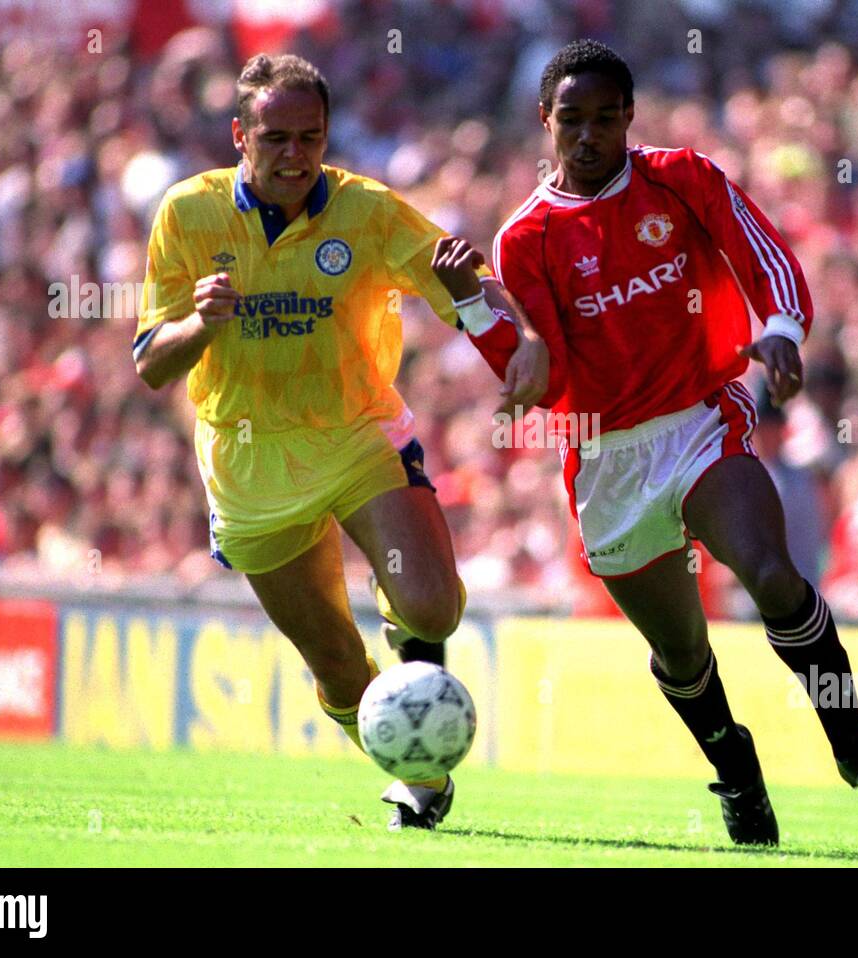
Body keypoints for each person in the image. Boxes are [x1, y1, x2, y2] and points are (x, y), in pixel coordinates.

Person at [468, 39, 858, 845]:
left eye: (605, 119)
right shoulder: (525, 239)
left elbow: (765, 256)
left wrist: (781, 330)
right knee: (682, 654)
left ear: (629, 118)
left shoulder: (682, 177)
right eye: (571, 120)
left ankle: (857, 750)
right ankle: (737, 772)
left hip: (701, 417)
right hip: (607, 455)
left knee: (774, 575)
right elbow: (540, 378)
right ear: (545, 122)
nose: (588, 136)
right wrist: (475, 313)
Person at [132, 53, 545, 830]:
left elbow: (465, 284)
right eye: (277, 138)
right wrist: (199, 323)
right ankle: (414, 769)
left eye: (310, 138)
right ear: (239, 136)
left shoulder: (370, 211)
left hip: (356, 437)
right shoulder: (187, 214)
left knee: (430, 606)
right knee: (336, 668)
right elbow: (153, 364)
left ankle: (414, 714)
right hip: (249, 465)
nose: (295, 156)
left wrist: (514, 333)